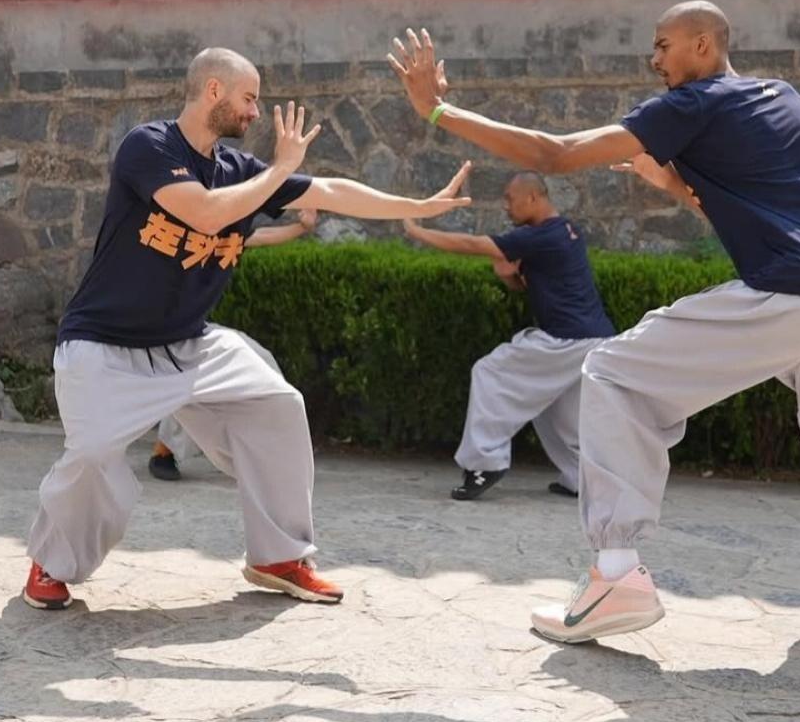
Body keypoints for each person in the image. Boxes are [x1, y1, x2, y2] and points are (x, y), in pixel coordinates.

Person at [388, 1, 800, 659]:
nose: (655, 60)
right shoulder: (784, 99)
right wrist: (668, 178)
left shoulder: (691, 105)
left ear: (701, 43)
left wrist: (436, 109)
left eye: (663, 45)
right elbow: (736, 205)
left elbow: (555, 153)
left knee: (611, 370)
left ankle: (615, 575)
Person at [23, 47, 470, 611]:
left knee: (277, 406)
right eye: (250, 98)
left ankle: (279, 556)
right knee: (91, 457)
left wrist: (418, 206)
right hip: (105, 347)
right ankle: (52, 563)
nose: (256, 112)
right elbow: (205, 214)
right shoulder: (149, 147)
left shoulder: (239, 171)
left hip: (191, 342)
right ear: (214, 90)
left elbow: (328, 191)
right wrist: (280, 169)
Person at [403, 171, 616, 500]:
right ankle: (582, 478)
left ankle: (485, 464)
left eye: (510, 198)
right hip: (593, 339)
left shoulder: (542, 236)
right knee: (555, 410)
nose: (506, 206)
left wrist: (418, 230)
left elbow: (473, 245)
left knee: (489, 372)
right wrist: (509, 278)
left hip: (567, 339)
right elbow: (528, 284)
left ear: (533, 197)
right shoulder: (566, 232)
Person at [148, 210, 314, 482]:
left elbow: (259, 237)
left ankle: (259, 449)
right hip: (152, 332)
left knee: (261, 360)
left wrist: (301, 228)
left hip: (190, 330)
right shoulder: (165, 231)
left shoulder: (222, 234)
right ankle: (164, 451)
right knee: (188, 378)